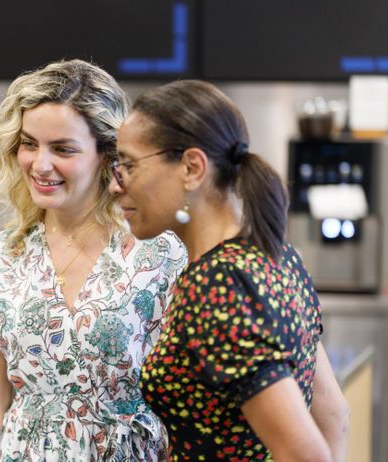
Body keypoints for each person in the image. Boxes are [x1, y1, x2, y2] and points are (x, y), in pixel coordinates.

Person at [0, 59, 187, 461]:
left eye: (63, 149)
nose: (41, 165)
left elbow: (184, 409)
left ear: (107, 155)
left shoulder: (159, 254)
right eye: (29, 144)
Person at [108, 79, 350, 461]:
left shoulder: (216, 287)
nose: (116, 185)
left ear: (191, 167)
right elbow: (333, 415)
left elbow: (307, 453)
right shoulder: (278, 256)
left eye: (128, 165)